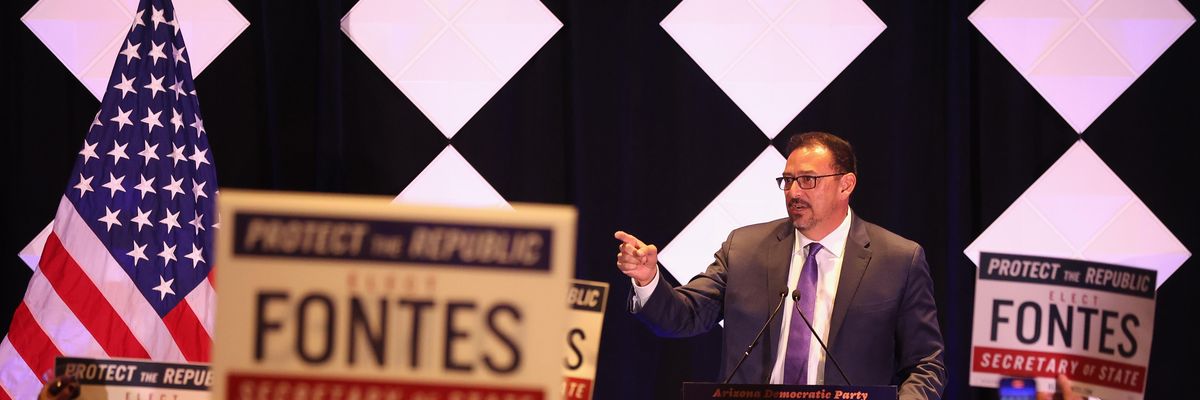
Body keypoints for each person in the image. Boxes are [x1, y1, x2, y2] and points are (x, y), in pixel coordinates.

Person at [616, 131, 945, 399]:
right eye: (787, 181)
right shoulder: (745, 248)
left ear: (846, 185)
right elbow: (685, 316)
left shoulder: (898, 259)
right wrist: (648, 280)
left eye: (808, 180)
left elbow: (926, 364)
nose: (793, 192)